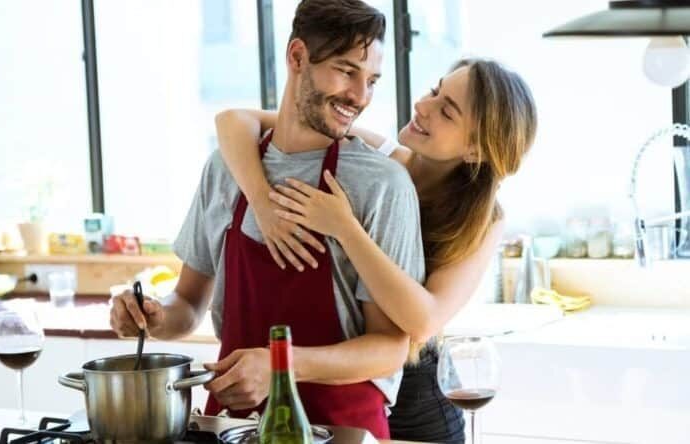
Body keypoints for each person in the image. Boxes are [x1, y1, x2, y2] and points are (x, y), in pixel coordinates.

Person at [109, 0, 425, 440]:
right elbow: (187, 306)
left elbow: (390, 348)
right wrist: (152, 317)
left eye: (370, 80)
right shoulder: (227, 168)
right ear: (298, 57)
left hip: (342, 430)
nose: (360, 95)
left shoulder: (381, 184)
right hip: (234, 427)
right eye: (346, 70)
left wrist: (280, 365)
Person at [215, 57, 538, 443]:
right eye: (435, 91)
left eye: (446, 111)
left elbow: (423, 321)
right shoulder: (376, 156)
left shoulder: (484, 221)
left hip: (417, 404)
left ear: (475, 150)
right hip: (343, 388)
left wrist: (346, 228)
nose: (423, 105)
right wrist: (262, 202)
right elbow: (233, 121)